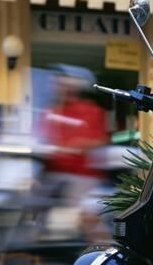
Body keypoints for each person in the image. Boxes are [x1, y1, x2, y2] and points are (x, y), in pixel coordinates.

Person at [39, 65, 109, 242]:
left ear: (75, 86)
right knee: (26, 196)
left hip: (82, 175)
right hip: (53, 173)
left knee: (85, 213)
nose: (59, 88)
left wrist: (79, 145)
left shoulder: (91, 110)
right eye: (57, 84)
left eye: (63, 84)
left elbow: (102, 140)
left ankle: (103, 250)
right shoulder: (50, 112)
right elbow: (40, 138)